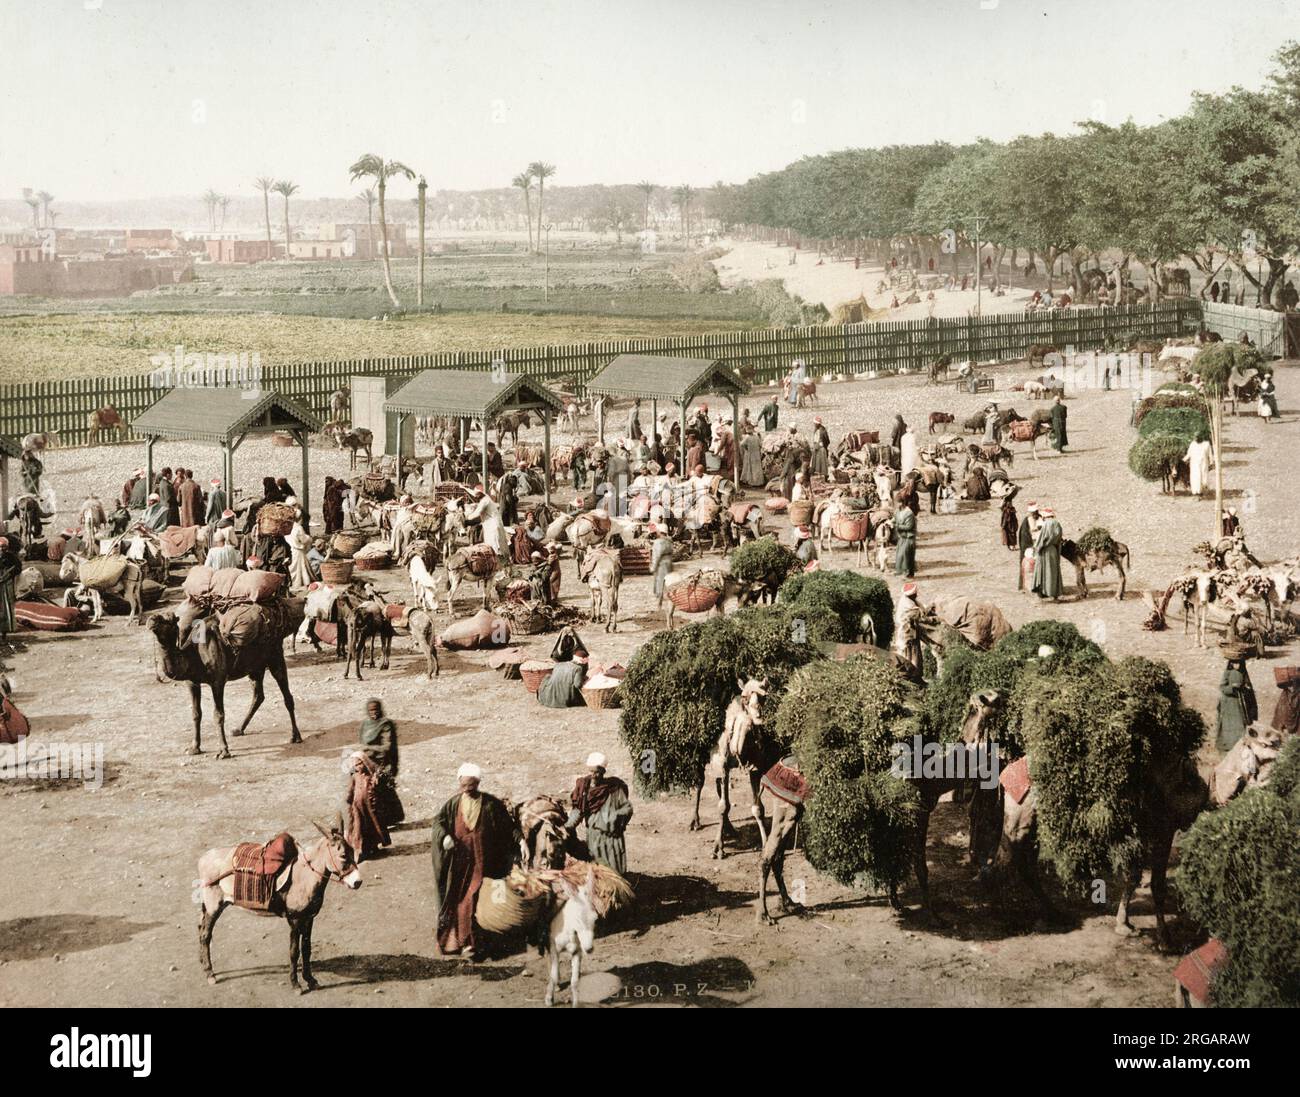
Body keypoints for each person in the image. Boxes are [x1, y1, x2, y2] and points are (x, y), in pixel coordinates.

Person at [430, 763, 515, 960]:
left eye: (472, 786)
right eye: (464, 786)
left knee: (481, 902)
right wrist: (444, 837)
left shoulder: (491, 804)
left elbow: (508, 827)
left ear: (478, 783)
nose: (467, 790)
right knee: (461, 901)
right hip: (461, 867)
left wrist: (520, 841)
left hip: (486, 866)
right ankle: (466, 943)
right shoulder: (453, 805)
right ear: (459, 783)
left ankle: (479, 944)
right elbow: (438, 823)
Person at [566, 752, 633, 874]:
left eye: (596, 772)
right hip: (593, 836)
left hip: (611, 838)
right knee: (594, 868)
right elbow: (578, 810)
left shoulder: (614, 788)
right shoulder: (583, 787)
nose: (593, 775)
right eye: (590, 771)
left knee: (612, 871)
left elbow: (627, 809)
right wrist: (568, 826)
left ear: (603, 772)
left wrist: (612, 820)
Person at [358, 698, 403, 826]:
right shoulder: (365, 724)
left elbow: (388, 747)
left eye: (376, 709)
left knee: (383, 790)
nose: (374, 712)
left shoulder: (386, 725)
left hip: (384, 763)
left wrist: (368, 749)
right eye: (371, 710)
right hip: (368, 762)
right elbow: (361, 743)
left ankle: (391, 819)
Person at [1215, 656, 1258, 752]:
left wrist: (1246, 688)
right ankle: (1229, 743)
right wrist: (1231, 688)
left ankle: (1239, 743)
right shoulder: (1227, 673)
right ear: (1231, 664)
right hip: (1229, 703)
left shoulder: (1243, 673)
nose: (1236, 665)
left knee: (1239, 722)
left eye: (1238, 663)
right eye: (1234, 663)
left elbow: (1248, 685)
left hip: (1240, 703)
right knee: (1229, 723)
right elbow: (1222, 687)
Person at [463, 485, 507, 557]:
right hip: (489, 523)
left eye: (477, 495)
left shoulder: (485, 501)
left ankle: (497, 557)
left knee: (494, 542)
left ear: (480, 494)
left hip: (493, 524)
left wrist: (466, 519)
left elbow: (477, 513)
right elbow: (474, 493)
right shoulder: (485, 496)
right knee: (489, 542)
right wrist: (464, 488)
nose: (475, 496)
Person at [1031, 506, 1063, 600]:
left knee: (1043, 570)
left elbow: (1041, 539)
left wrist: (1037, 548)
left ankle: (1043, 591)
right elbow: (1059, 538)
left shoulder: (1045, 524)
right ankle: (1054, 594)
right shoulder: (1057, 523)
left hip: (1044, 550)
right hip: (1053, 550)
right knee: (1053, 571)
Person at [892, 581, 923, 675]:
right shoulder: (908, 605)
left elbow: (920, 605)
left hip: (908, 632)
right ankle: (912, 675)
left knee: (912, 652)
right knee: (910, 654)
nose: (917, 595)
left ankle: (913, 673)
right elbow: (918, 614)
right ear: (911, 595)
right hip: (907, 633)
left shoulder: (907, 599)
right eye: (915, 594)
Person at [0, 537, 19, 650]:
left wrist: (7, 575)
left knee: (6, 609)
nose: (2, 549)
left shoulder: (11, 557)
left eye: (4, 547)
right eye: (0, 547)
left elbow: (18, 567)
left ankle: (4, 635)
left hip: (6, 585)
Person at [894, 492, 916, 577]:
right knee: (900, 555)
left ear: (902, 503)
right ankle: (901, 571)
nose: (896, 505)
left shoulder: (909, 513)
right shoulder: (898, 511)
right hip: (902, 536)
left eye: (897, 503)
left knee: (907, 555)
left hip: (909, 537)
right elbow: (894, 518)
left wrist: (897, 526)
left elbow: (909, 526)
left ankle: (908, 573)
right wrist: (889, 522)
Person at [1184, 432, 1213, 497]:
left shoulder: (1206, 444)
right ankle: (1195, 493)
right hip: (1194, 465)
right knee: (1195, 478)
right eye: (1195, 437)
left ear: (1201, 437)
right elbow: (1189, 454)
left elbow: (1210, 455)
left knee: (1203, 478)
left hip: (1203, 464)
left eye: (1197, 437)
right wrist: (1183, 460)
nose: (1196, 439)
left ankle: (1202, 492)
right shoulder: (1192, 444)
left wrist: (1211, 462)